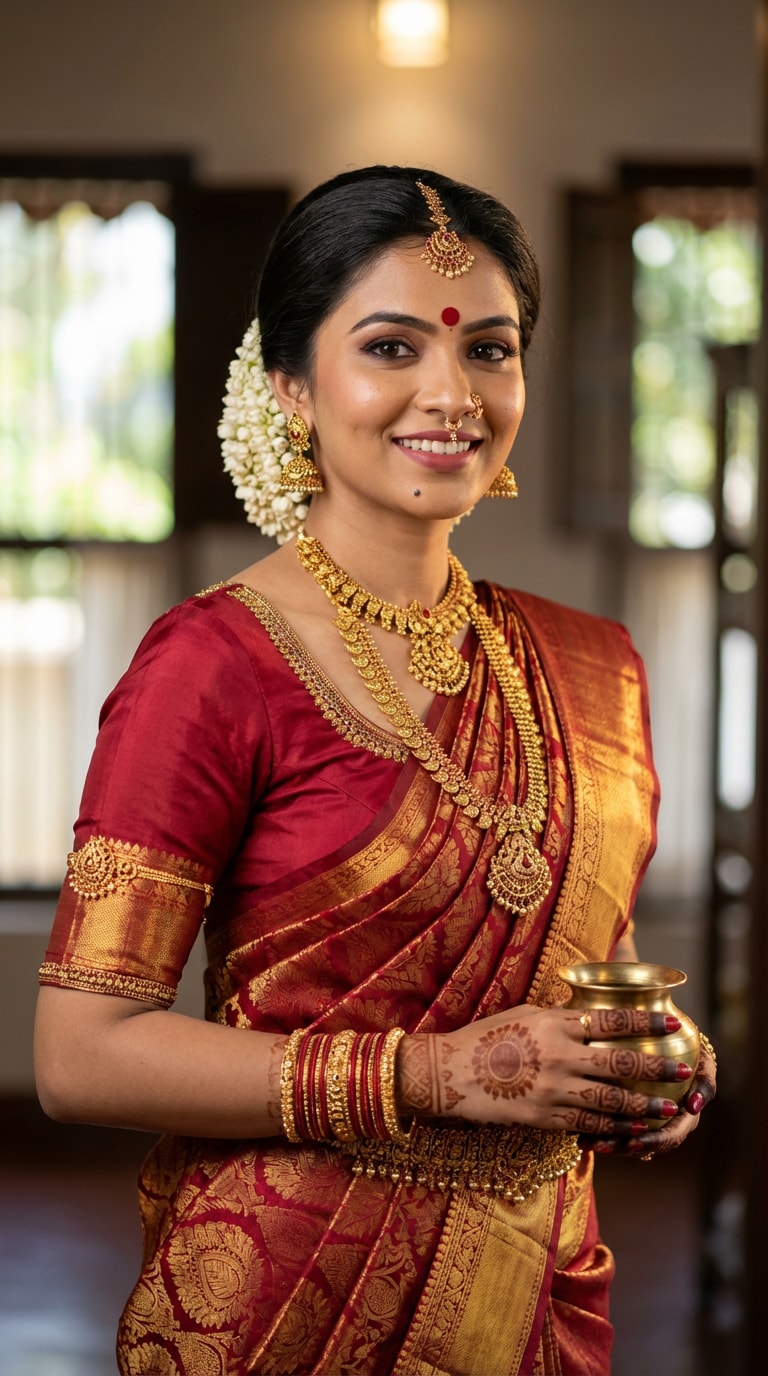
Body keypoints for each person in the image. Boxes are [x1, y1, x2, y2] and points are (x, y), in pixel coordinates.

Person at [34, 165, 716, 1376]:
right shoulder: (211, 662)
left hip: (537, 1283)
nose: (452, 393)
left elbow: (571, 982)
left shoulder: (593, 666)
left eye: (491, 351)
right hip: (290, 1297)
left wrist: (645, 1066)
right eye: (391, 346)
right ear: (293, 384)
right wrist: (441, 1072)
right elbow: (80, 1051)